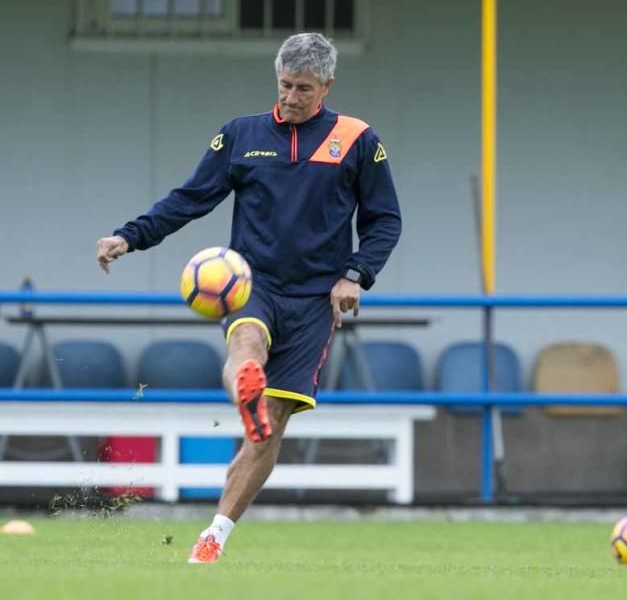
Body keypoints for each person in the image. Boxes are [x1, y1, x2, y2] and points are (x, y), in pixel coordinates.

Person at [95, 33, 402, 564]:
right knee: (247, 344)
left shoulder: (357, 140)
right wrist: (130, 235)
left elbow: (384, 220)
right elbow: (190, 198)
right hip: (249, 282)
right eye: (285, 85)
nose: (291, 97)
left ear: (327, 85)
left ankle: (213, 536)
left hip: (314, 300)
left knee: (270, 427)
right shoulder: (241, 135)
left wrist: (356, 273)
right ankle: (246, 385)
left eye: (304, 88)